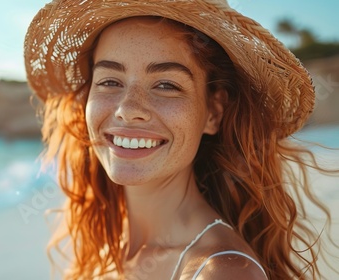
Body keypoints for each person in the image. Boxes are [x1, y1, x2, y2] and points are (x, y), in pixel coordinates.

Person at [24, 0, 336, 279]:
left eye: (165, 85)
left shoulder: (221, 272)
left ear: (213, 113)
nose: (128, 109)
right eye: (109, 81)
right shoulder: (106, 246)